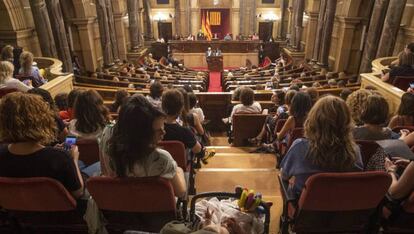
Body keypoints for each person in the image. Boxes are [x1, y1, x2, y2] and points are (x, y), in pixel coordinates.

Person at [99, 94, 187, 198]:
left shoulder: (106, 134)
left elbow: (104, 171)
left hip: (119, 204)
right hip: (154, 208)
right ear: (142, 134)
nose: (164, 132)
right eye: (158, 131)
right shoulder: (161, 158)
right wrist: (178, 170)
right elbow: (180, 192)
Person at [0, 92, 84, 199]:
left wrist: (52, 151)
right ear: (42, 120)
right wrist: (74, 160)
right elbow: (78, 193)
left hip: (17, 213)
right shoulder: (60, 158)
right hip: (60, 213)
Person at [281, 96, 363, 196]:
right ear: (347, 122)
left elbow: (284, 175)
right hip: (343, 205)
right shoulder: (355, 150)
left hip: (306, 207)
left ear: (313, 119)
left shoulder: (300, 146)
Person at [162, 89, 202, 155]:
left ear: (163, 106)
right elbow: (198, 150)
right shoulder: (185, 131)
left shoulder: (155, 128)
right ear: (181, 109)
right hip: (180, 164)